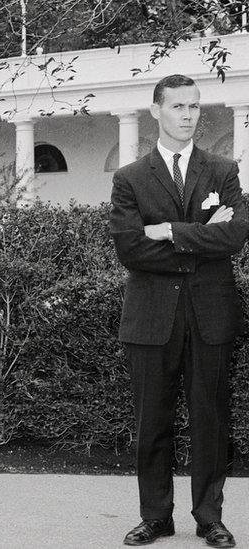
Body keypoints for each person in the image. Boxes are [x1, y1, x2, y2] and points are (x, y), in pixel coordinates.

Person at [110, 74, 246, 548]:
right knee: (152, 422)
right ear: (156, 111)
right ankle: (156, 517)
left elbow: (234, 237)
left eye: (194, 106)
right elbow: (130, 249)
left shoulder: (223, 170)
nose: (188, 115)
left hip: (210, 313)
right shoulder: (129, 177)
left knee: (211, 420)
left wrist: (167, 230)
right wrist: (199, 235)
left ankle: (209, 518)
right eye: (178, 107)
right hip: (150, 317)